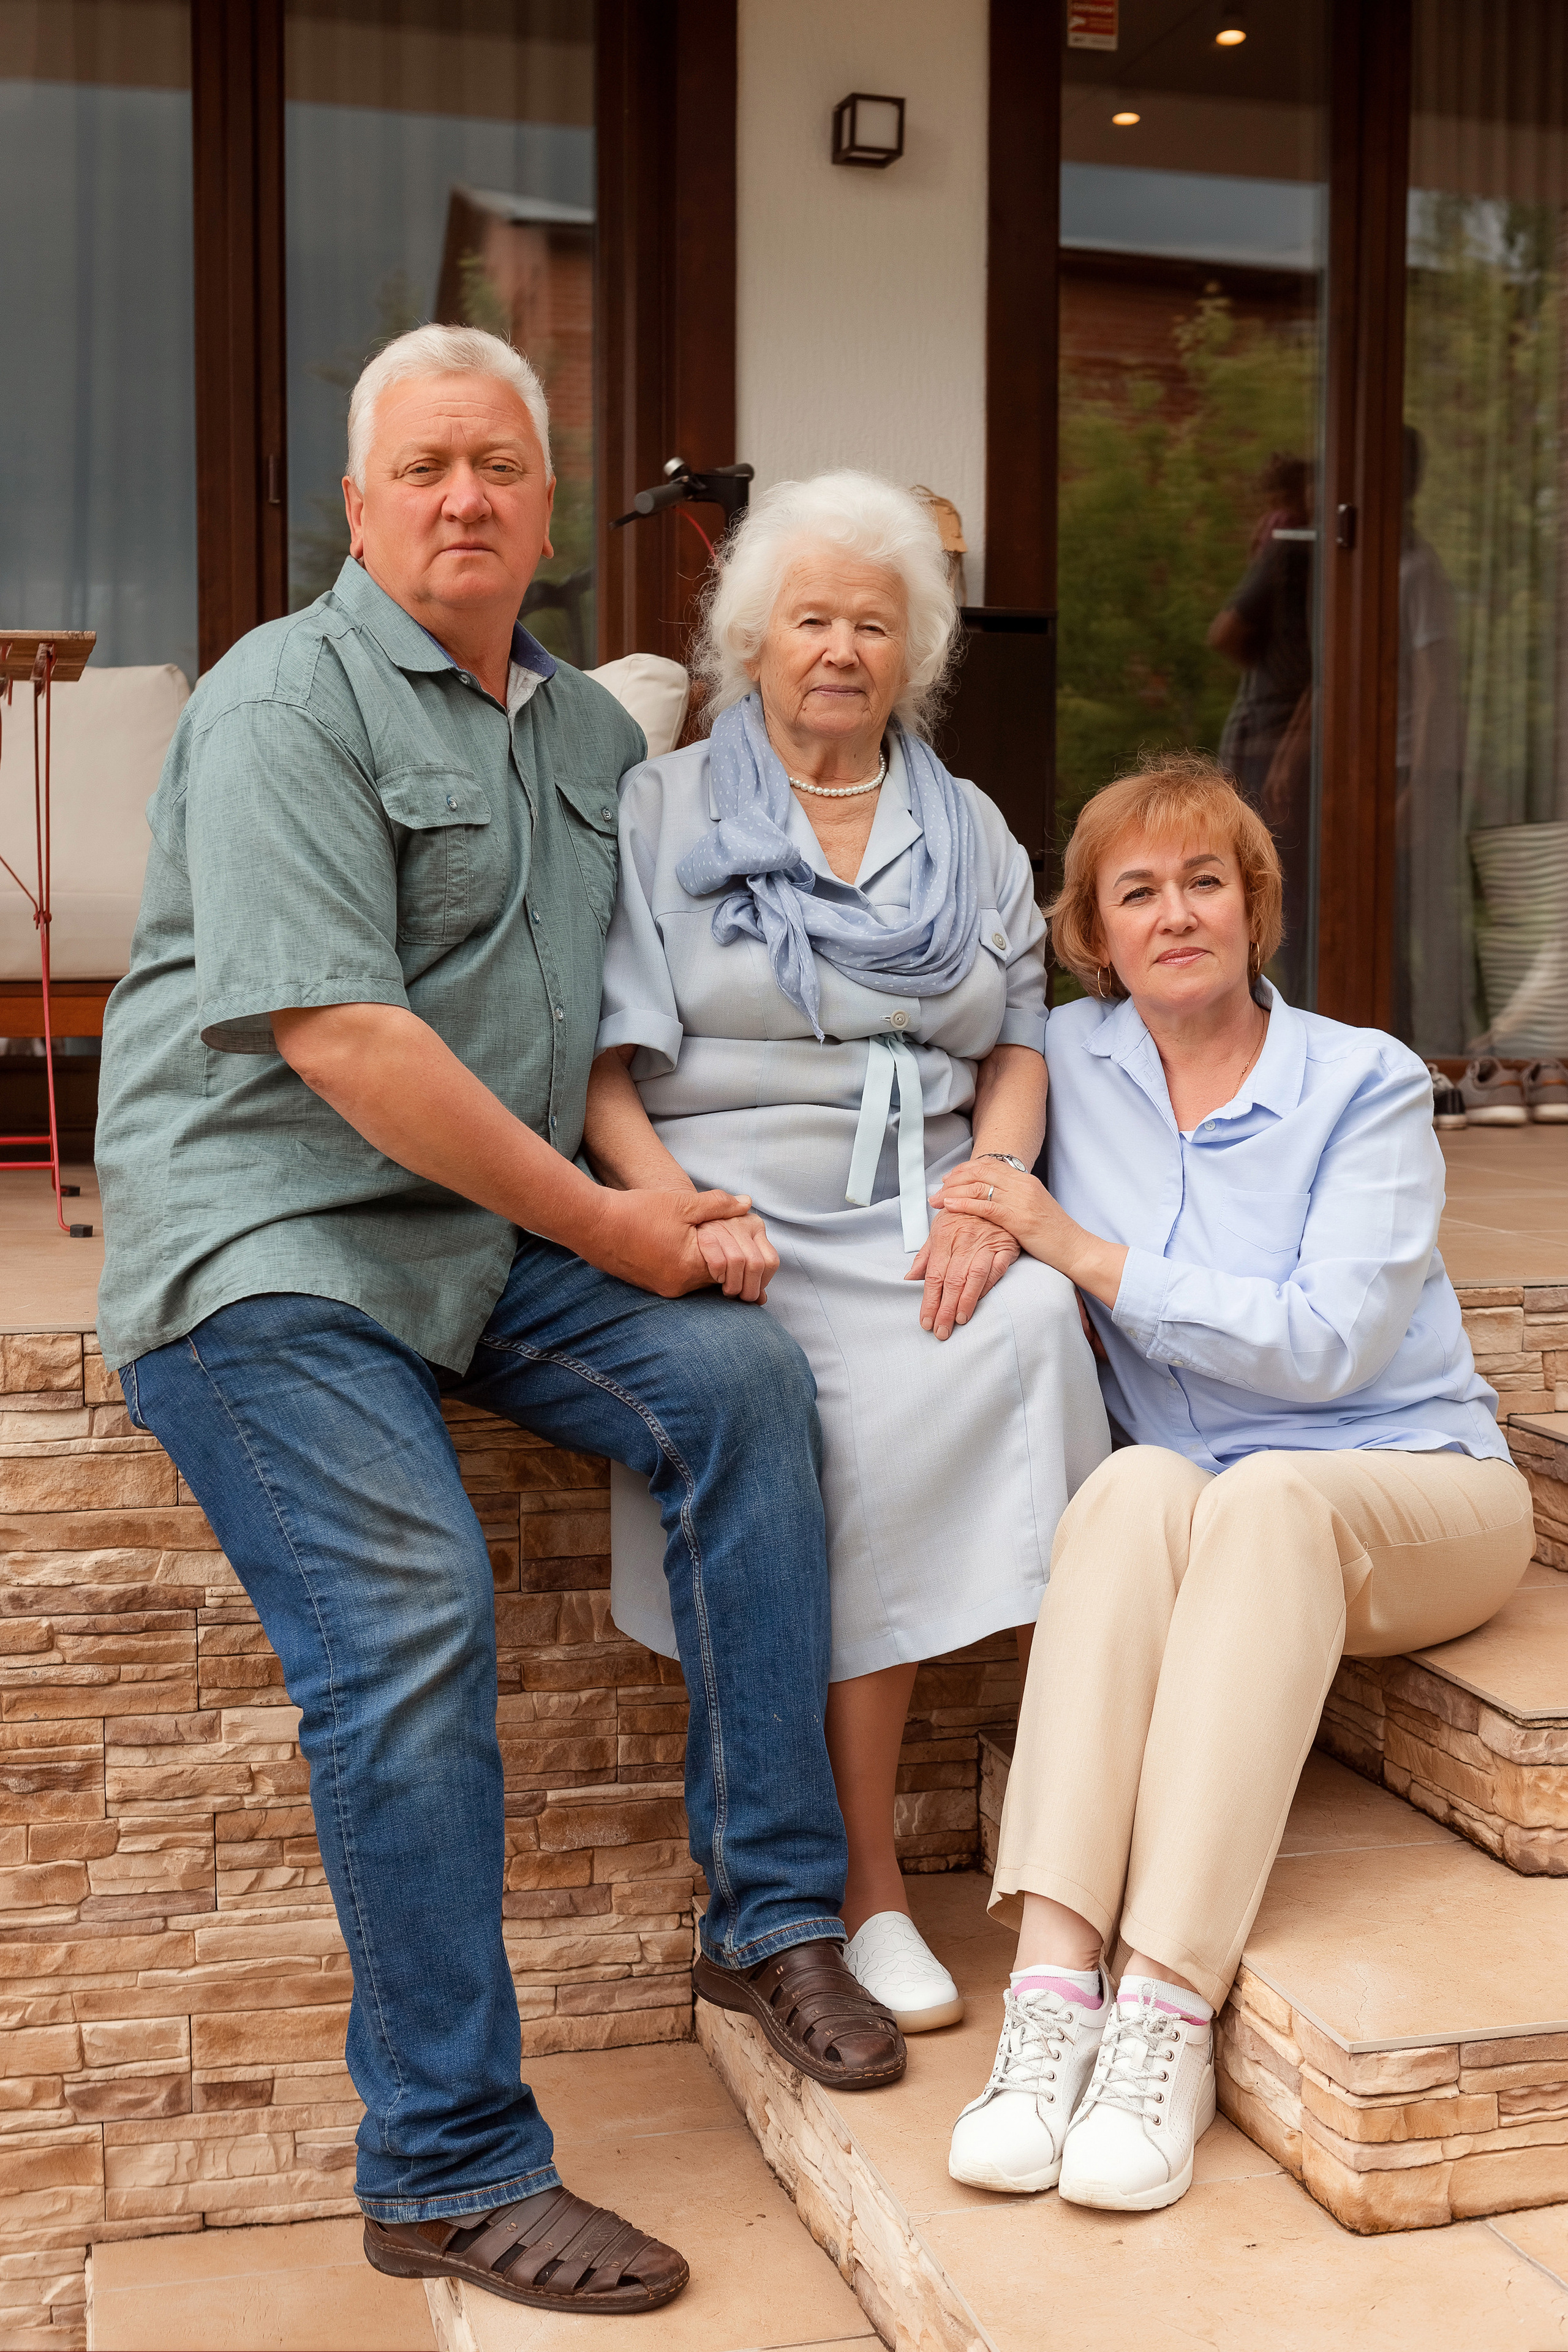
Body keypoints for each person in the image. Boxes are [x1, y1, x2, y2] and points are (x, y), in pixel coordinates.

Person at [93, 325, 907, 2323]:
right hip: (267, 1242)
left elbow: (617, 1019)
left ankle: (771, 1910)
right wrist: (612, 1232)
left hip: (472, 1243)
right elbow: (352, 1045)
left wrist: (677, 1198)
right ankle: (444, 2165)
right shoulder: (286, 699)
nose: (465, 498)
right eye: (424, 468)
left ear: (547, 510)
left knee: (742, 1381)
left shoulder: (582, 745)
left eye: (501, 470)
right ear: (359, 508)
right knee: (408, 1611)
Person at [940, 752, 1531, 2215]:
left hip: (1413, 1487)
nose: (1174, 913)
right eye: (1135, 892)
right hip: (1199, 1506)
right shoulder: (1067, 1066)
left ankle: (1162, 2015)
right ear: (1090, 933)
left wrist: (1081, 1253)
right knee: (1135, 1490)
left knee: (1260, 1493)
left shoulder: (1366, 1081)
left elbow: (1330, 1348)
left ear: (1252, 910)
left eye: (1205, 882)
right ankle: (1052, 1995)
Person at [584, 471, 1110, 2037]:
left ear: (913, 654)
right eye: (808, 617)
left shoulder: (968, 826)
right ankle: (861, 1881)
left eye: (872, 624)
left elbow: (1016, 1042)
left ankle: (1045, 1850)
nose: (838, 647)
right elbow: (604, 1069)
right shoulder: (660, 808)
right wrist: (668, 1208)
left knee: (1027, 1335)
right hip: (728, 1218)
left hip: (916, 1214)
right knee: (822, 1427)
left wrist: (991, 1184)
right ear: (751, 640)